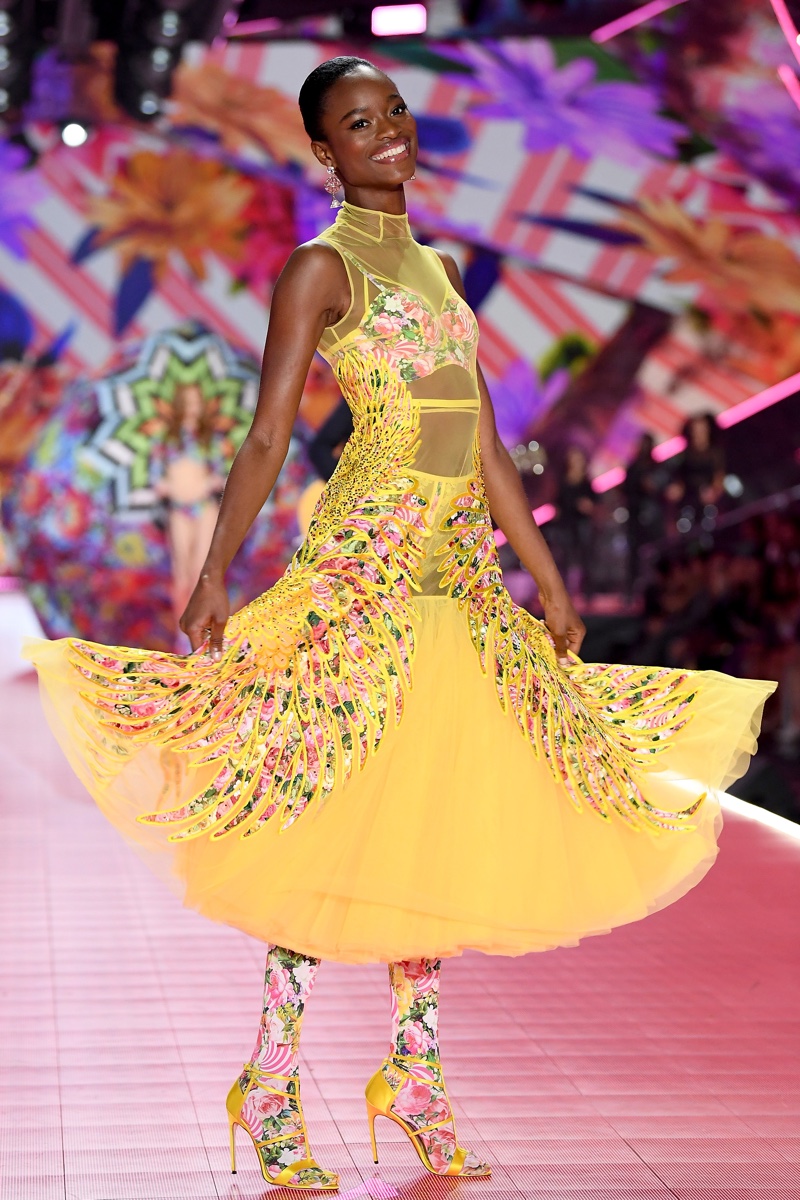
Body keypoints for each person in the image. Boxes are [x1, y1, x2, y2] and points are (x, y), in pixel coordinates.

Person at [25, 57, 775, 1192]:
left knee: (430, 814)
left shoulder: (434, 265)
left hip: (457, 579)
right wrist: (219, 571)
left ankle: (412, 1078)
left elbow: (478, 444)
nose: (385, 135)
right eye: (356, 125)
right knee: (336, 811)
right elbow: (271, 431)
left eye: (394, 115)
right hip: (366, 566)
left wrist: (547, 577)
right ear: (323, 153)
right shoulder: (317, 268)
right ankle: (270, 1081)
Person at [152, 382, 226, 622]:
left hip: (204, 507)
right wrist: (166, 487)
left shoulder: (208, 438)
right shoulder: (167, 438)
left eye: (197, 401)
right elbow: (155, 476)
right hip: (178, 509)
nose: (194, 407)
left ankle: (201, 628)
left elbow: (220, 474)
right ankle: (181, 629)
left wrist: (208, 483)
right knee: (181, 574)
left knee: (200, 572)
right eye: (189, 401)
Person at [552, 444, 595, 597]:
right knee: (565, 558)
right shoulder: (563, 479)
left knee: (585, 558)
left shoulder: (586, 481)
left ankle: (587, 592)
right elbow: (557, 501)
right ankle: (565, 592)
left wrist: (588, 506)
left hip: (582, 523)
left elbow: (594, 501)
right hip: (566, 523)